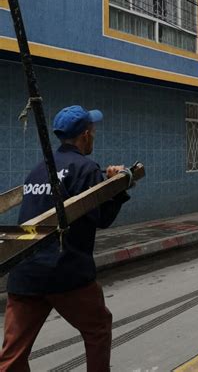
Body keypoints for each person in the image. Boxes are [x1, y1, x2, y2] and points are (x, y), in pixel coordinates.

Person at [0, 105, 131, 371]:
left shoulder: (38, 170)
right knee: (98, 328)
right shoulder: (85, 168)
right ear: (85, 135)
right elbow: (102, 218)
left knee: (12, 356)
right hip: (66, 272)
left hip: (24, 273)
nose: (94, 135)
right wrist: (119, 186)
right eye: (93, 131)